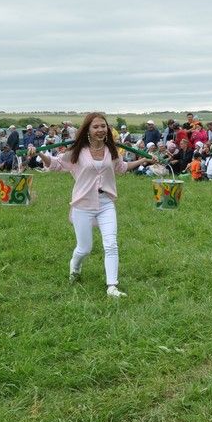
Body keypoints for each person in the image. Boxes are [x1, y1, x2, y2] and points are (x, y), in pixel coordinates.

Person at [32, 113, 151, 297]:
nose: (100, 130)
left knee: (111, 244)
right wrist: (39, 153)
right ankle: (75, 265)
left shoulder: (111, 151)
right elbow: (56, 164)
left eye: (103, 126)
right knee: (84, 248)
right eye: (96, 127)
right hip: (83, 204)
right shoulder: (78, 152)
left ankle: (112, 286)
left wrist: (143, 160)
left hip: (106, 203)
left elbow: (122, 168)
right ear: (88, 130)